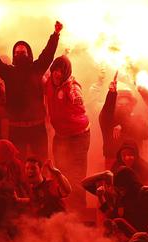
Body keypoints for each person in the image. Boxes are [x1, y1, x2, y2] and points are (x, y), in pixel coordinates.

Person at [0, 21, 63, 158]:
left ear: (29, 54)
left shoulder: (37, 68)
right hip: (17, 128)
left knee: (41, 162)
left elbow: (48, 54)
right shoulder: (9, 73)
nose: (20, 54)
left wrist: (56, 34)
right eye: (17, 53)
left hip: (37, 127)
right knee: (17, 164)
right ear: (13, 55)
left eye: (23, 52)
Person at [45, 55, 90, 210]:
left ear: (67, 73)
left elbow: (78, 100)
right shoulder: (49, 82)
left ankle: (79, 211)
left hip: (79, 136)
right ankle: (63, 208)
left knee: (77, 175)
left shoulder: (72, 87)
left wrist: (74, 98)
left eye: (61, 71)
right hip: (61, 135)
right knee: (61, 172)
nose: (57, 74)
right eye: (55, 70)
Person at [99, 78, 148, 168]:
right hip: (113, 163)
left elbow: (146, 133)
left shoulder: (137, 119)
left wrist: (123, 125)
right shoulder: (109, 121)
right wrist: (111, 94)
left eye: (127, 105)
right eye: (120, 105)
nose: (124, 108)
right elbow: (106, 112)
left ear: (132, 106)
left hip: (135, 164)